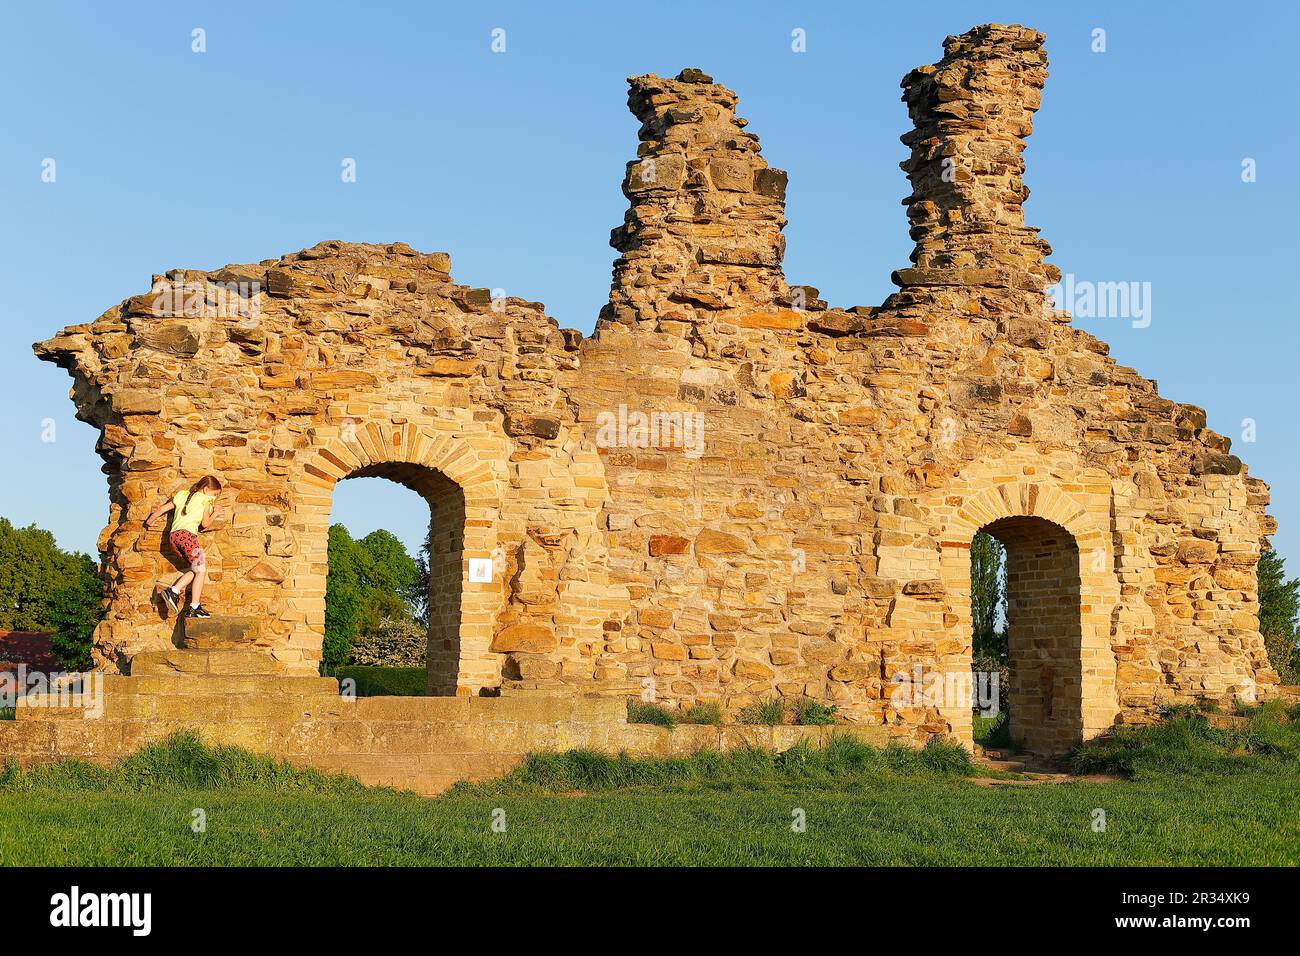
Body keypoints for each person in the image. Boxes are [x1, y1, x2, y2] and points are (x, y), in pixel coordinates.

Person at [145, 475, 229, 618]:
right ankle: (193, 606)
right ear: (206, 489)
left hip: (174, 538)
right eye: (215, 494)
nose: (215, 498)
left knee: (196, 570)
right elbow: (205, 524)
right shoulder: (206, 500)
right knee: (202, 571)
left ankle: (174, 591)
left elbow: (161, 509)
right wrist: (214, 513)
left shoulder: (183, 496)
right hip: (188, 537)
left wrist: (148, 522)